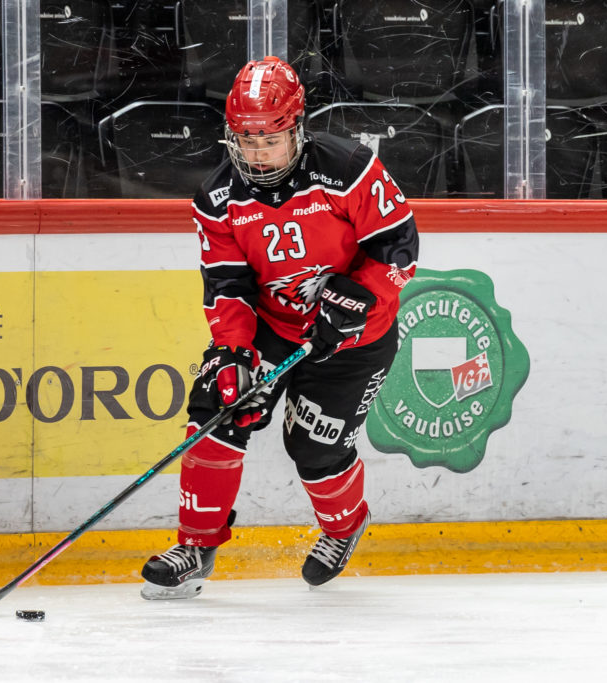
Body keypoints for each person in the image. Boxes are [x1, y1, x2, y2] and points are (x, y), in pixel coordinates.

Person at [140, 56, 419, 600]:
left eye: (271, 140)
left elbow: (398, 247)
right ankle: (195, 546)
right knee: (218, 404)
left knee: (313, 449)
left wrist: (357, 298)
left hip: (355, 337)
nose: (259, 153)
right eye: (247, 141)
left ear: (297, 130)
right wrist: (233, 351)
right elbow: (227, 287)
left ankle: (343, 527)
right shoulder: (217, 200)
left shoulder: (349, 169)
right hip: (275, 327)